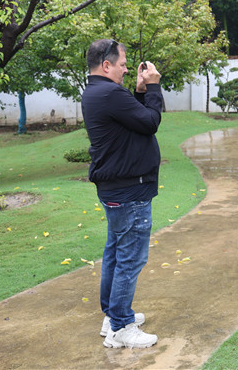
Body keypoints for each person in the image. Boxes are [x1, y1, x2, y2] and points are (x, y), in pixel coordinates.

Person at [81, 39, 163, 349]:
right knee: (130, 259)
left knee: (115, 254)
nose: (128, 69)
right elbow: (150, 122)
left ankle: (112, 316)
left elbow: (135, 124)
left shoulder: (97, 93)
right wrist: (154, 88)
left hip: (117, 189)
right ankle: (120, 327)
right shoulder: (109, 93)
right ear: (106, 65)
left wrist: (141, 92)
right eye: (123, 64)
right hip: (129, 192)